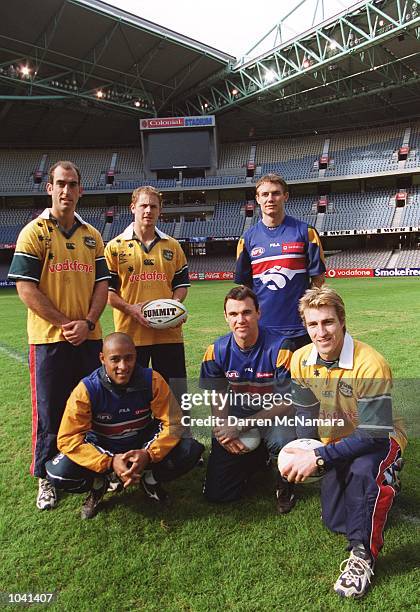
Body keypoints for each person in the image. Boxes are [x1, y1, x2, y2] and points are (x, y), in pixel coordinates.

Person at [282, 286, 407, 599]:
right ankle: (379, 487)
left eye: (328, 322)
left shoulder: (370, 364)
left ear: (342, 322)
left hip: (379, 439)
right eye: (313, 324)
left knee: (365, 471)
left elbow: (372, 434)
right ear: (305, 326)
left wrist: (320, 458)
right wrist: (303, 451)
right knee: (336, 520)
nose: (321, 332)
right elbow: (304, 414)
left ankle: (362, 557)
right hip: (336, 440)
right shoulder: (299, 360)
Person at [8, 161, 110, 511]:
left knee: (92, 407)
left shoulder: (92, 235)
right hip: (49, 340)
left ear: (81, 190)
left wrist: (89, 321)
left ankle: (92, 468)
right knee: (50, 411)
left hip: (89, 338)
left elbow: (102, 284)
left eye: (73, 184)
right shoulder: (33, 232)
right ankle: (45, 478)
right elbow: (26, 288)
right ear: (49, 188)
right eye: (60, 184)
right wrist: (68, 323)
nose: (67, 191)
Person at [45, 333, 204, 519]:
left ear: (136, 356)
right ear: (102, 359)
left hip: (141, 444)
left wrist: (148, 454)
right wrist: (109, 462)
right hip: (104, 447)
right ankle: (99, 483)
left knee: (190, 449)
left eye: (129, 358)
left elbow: (174, 422)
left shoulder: (151, 380)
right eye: (115, 359)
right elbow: (68, 439)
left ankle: (149, 479)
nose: (123, 366)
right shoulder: (87, 389)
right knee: (58, 474)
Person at [199, 286, 296, 513]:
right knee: (218, 494)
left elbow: (289, 402)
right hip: (237, 417)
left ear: (258, 313)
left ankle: (285, 482)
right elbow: (217, 398)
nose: (240, 320)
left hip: (274, 417)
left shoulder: (281, 347)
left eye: (246, 312)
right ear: (226, 317)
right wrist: (223, 431)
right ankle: (256, 460)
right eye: (233, 314)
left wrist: (243, 425)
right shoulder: (215, 351)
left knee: (283, 438)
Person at [105, 186, 190, 402]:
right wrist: (130, 309)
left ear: (160, 210)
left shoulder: (173, 246)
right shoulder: (114, 247)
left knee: (175, 395)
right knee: (133, 396)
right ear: (133, 207)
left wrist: (175, 307)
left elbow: (181, 285)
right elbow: (107, 292)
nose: (148, 211)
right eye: (143, 205)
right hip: (131, 336)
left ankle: (180, 435)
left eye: (153, 206)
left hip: (168, 335)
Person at [235, 173, 326, 351]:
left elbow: (318, 281)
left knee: (304, 378)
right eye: (265, 194)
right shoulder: (247, 240)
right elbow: (244, 290)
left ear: (285, 196)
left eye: (276, 193)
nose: (270, 199)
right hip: (263, 330)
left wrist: (311, 316)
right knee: (267, 379)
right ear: (257, 199)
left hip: (301, 329)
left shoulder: (306, 232)